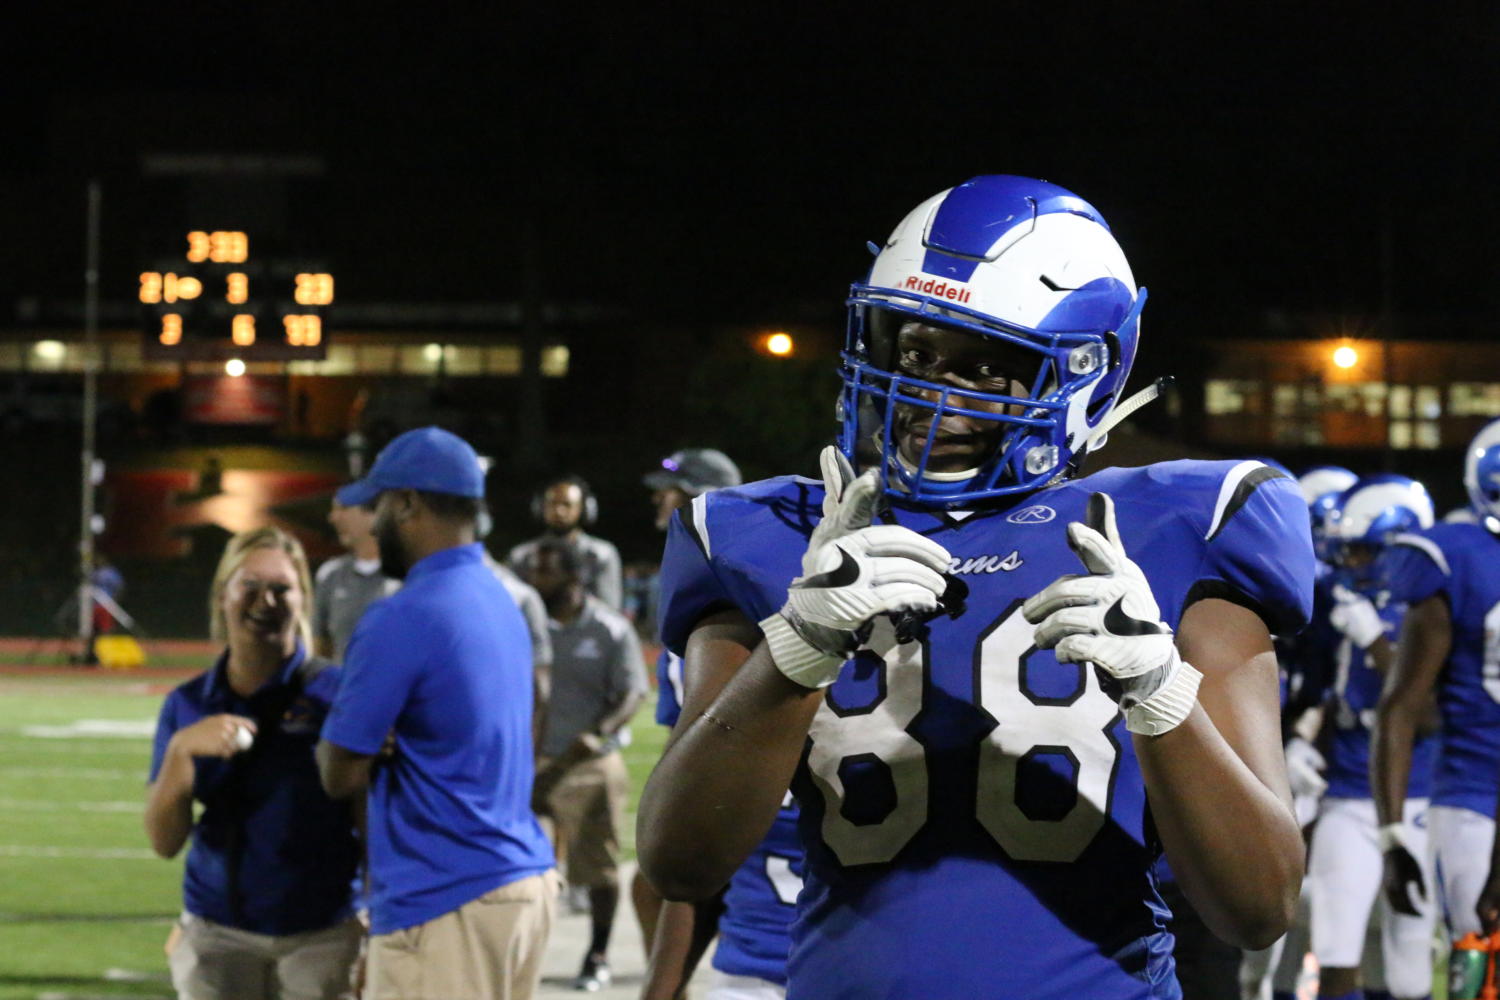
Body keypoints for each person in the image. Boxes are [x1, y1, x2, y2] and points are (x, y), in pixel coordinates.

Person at [636, 175, 1314, 999]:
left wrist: (1161, 692)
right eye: (919, 351)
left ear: (1083, 376)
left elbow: (1259, 906)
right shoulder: (777, 535)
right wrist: (796, 647)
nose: (932, 394)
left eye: (987, 367)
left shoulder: (1177, 528)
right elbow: (679, 858)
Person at [315, 426, 556, 1000]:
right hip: (518, 881)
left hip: (447, 893)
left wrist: (365, 740)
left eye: (378, 506)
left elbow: (338, 772)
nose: (372, 524)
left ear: (407, 504)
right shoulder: (502, 598)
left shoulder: (401, 614)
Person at [145, 526, 361, 1000]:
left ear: (303, 599)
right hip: (217, 935)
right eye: (250, 585)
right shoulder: (189, 703)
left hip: (322, 935)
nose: (267, 600)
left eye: (282, 588)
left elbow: (370, 815)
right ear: (223, 595)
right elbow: (164, 842)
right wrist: (181, 752)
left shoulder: (339, 694)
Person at [636, 448, 806, 1000]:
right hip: (752, 960)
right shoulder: (699, 643)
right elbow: (689, 823)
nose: (663, 506)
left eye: (675, 494)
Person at [1306, 476, 1437, 1000]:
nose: (1352, 565)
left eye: (1362, 552)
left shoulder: (1428, 611)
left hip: (1420, 797)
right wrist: (1302, 739)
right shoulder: (1338, 605)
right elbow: (1315, 690)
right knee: (1335, 953)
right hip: (1346, 793)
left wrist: (1378, 641)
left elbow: (1425, 715)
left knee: (1411, 959)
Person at [1376, 418, 1500, 949]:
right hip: (1477, 795)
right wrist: (1393, 835)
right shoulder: (1462, 557)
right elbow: (1400, 709)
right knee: (1478, 962)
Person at [518, 538, 648, 991]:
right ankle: (521, 958)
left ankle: (597, 954)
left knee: (600, 868)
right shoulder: (525, 626)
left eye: (544, 572)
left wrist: (598, 733)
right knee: (525, 871)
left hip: (590, 764)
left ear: (574, 578)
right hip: (532, 764)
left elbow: (633, 691)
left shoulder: (609, 628)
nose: (534, 581)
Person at [508, 475, 624, 610]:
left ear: (584, 509)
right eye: (553, 504)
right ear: (540, 507)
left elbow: (610, 609)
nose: (559, 511)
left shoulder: (602, 554)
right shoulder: (521, 555)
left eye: (567, 504)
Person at [314, 485, 399, 660]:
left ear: (371, 515)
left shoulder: (407, 573)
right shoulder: (330, 574)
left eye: (343, 508)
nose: (333, 517)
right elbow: (317, 643)